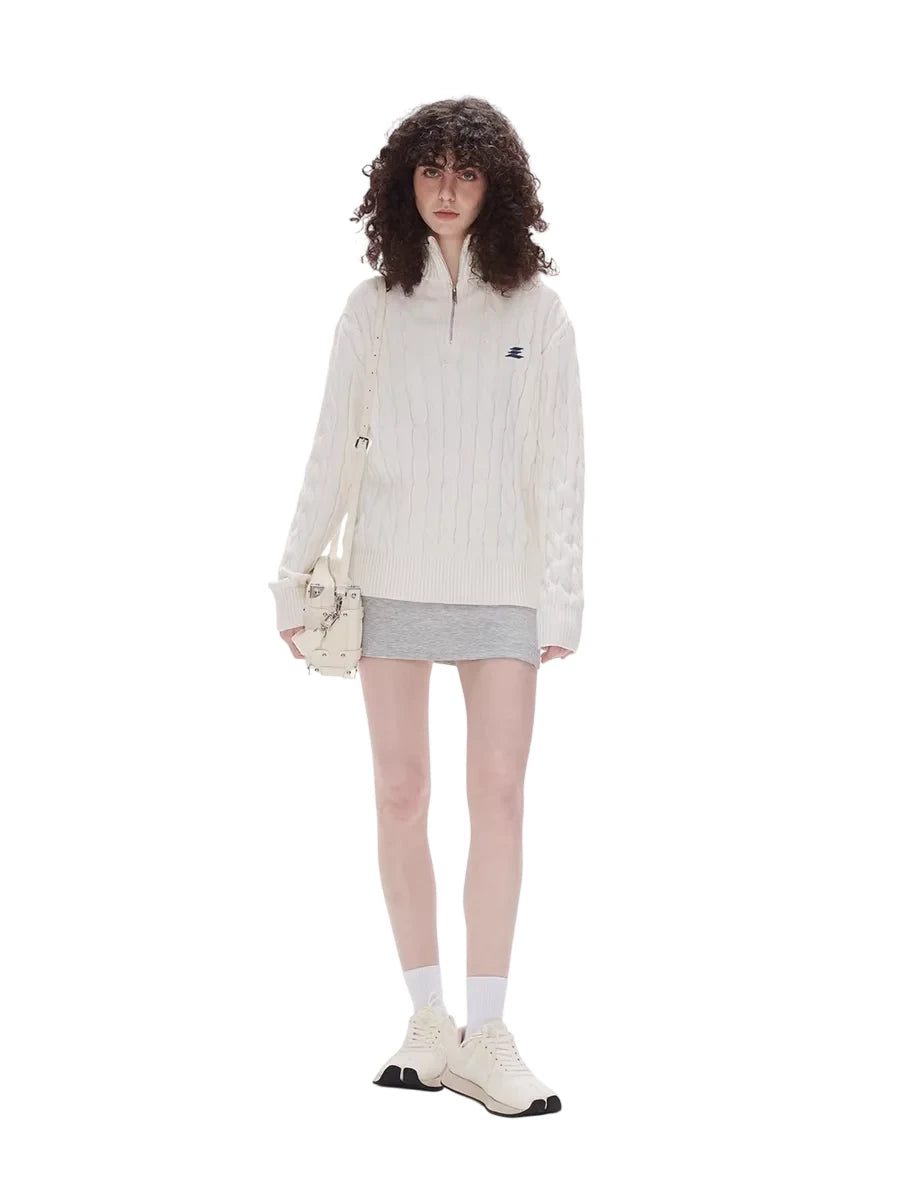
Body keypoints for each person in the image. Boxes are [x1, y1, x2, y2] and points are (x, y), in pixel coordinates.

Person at [268, 97, 584, 1117]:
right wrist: (294, 574)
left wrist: (560, 601)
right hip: (391, 577)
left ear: (497, 188)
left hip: (502, 587)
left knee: (500, 800)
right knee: (400, 794)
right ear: (404, 185)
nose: (447, 190)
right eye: (430, 171)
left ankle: (489, 1034)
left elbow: (562, 467)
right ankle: (427, 1021)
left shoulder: (538, 312)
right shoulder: (371, 309)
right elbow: (331, 446)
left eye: (467, 172)